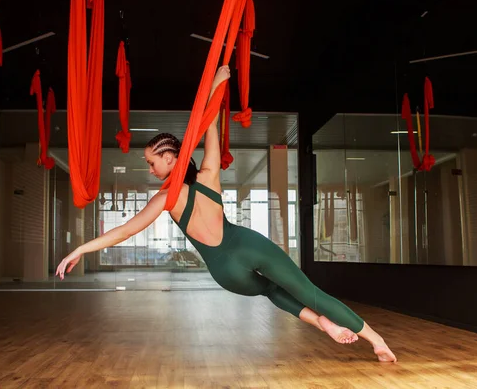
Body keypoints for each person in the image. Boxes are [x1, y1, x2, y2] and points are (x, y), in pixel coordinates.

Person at [56, 66, 397, 362]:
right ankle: (377, 341)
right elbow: (210, 127)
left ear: (171, 157)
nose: (149, 168)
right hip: (247, 245)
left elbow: (125, 232)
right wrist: (217, 85)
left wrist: (81, 249)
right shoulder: (209, 176)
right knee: (311, 292)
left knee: (270, 292)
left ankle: (323, 323)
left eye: (151, 161)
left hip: (225, 272)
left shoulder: (165, 200)